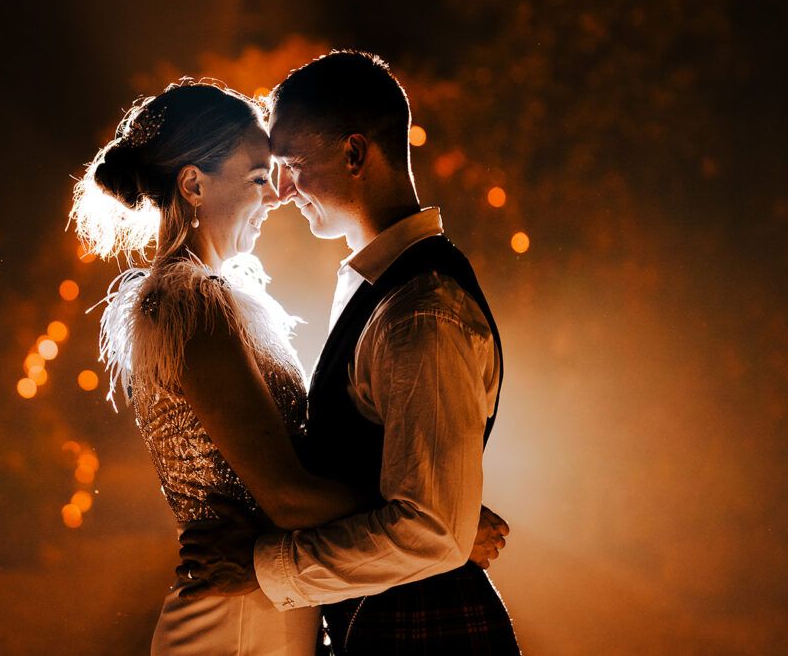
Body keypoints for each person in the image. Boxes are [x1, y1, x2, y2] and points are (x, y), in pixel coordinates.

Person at [71, 79, 509, 655]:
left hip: (264, 603)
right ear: (194, 184)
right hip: (235, 619)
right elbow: (288, 496)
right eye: (259, 178)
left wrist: (439, 519)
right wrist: (446, 522)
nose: (277, 195)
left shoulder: (220, 299)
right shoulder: (190, 306)